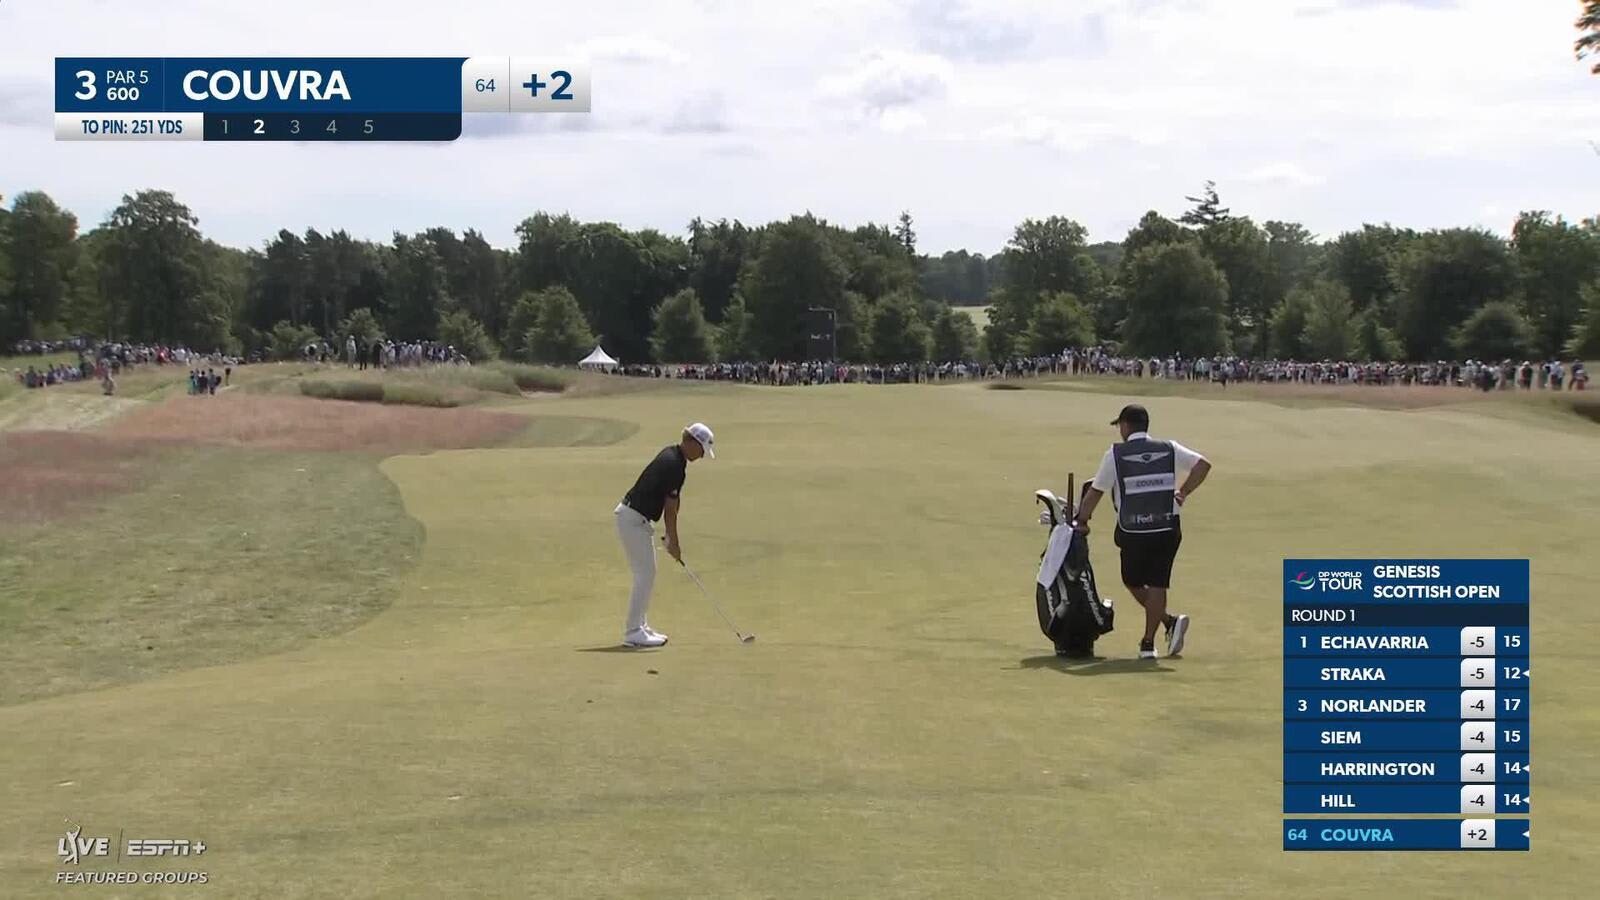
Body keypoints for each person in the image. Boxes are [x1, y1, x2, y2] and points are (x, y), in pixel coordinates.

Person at [1072, 404, 1212, 660]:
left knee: (1132, 580)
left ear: (1125, 426)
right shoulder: (1168, 448)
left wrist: (1081, 519)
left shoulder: (1115, 454)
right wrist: (1182, 492)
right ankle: (1157, 635)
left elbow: (1096, 491)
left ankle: (1158, 634)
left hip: (1133, 528)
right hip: (1167, 525)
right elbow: (1203, 465)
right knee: (1158, 582)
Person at [613, 423, 716, 647]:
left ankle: (640, 626)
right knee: (645, 573)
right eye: (701, 450)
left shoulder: (675, 458)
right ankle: (633, 632)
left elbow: (674, 502)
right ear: (692, 443)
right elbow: (670, 510)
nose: (702, 456)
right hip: (631, 519)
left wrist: (671, 539)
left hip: (635, 519)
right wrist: (673, 541)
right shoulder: (674, 465)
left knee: (647, 572)